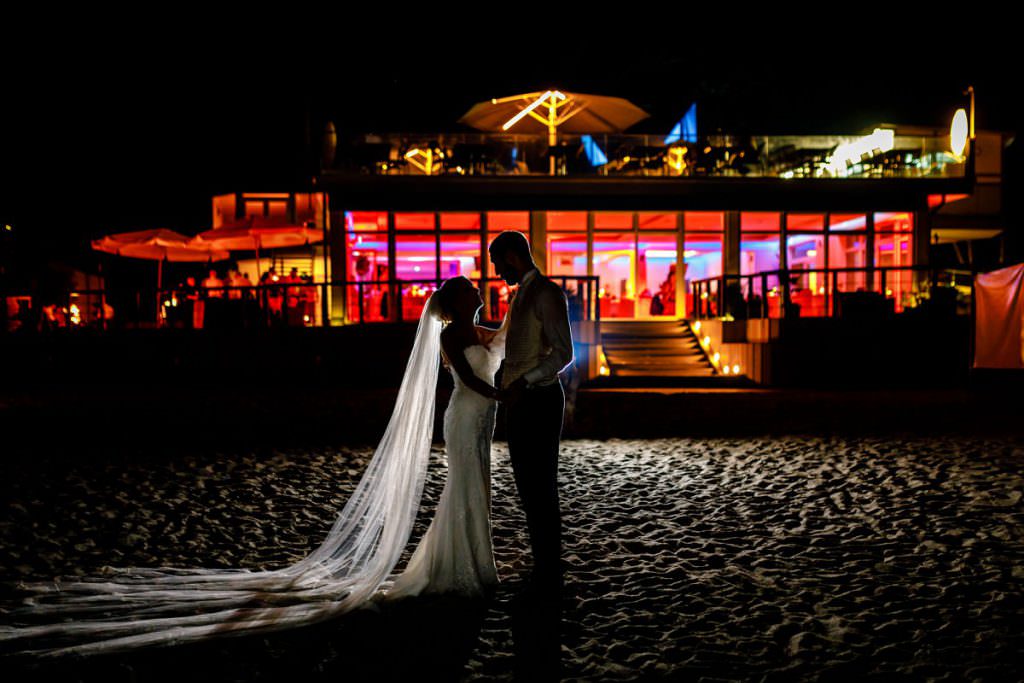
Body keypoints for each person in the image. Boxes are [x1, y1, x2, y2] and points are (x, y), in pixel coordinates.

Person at [0, 276, 507, 656]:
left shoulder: (475, 328)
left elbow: (499, 342)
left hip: (479, 418)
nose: (475, 292)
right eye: (468, 290)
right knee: (464, 487)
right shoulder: (449, 338)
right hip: (466, 416)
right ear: (457, 302)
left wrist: (521, 315)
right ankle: (460, 568)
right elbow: (471, 375)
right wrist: (505, 393)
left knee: (475, 488)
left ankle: (473, 564)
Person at [488, 230, 574, 600]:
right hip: (522, 401)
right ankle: (543, 566)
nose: (495, 271)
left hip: (540, 400)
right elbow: (517, 343)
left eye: (496, 262)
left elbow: (563, 352)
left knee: (541, 487)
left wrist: (524, 382)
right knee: (528, 486)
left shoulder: (546, 293)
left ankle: (549, 571)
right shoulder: (520, 294)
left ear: (510, 256)